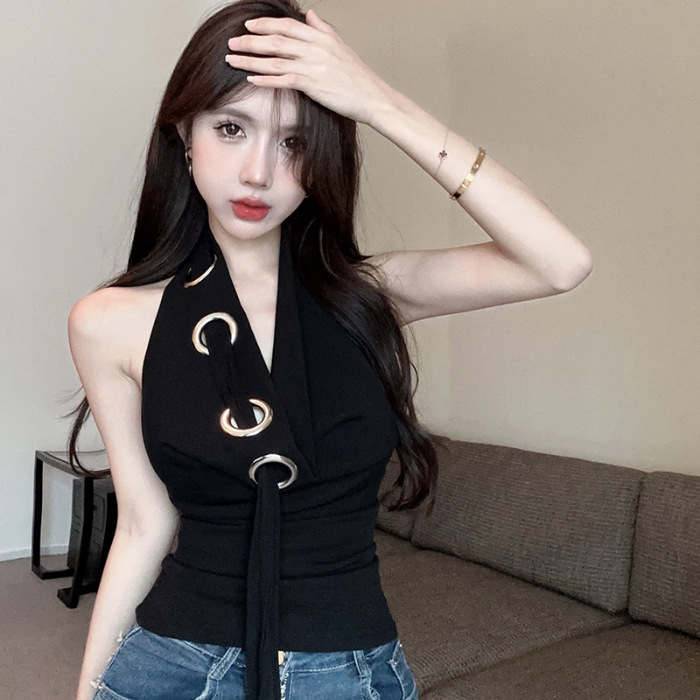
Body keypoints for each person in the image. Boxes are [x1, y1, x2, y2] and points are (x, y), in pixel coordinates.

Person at [65, 1, 593, 698]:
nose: (258, 173)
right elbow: (143, 521)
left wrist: (377, 103)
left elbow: (559, 262)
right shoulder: (110, 322)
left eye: (293, 142)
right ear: (185, 135)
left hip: (348, 669)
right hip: (173, 663)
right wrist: (89, 688)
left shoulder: (367, 295)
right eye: (231, 128)